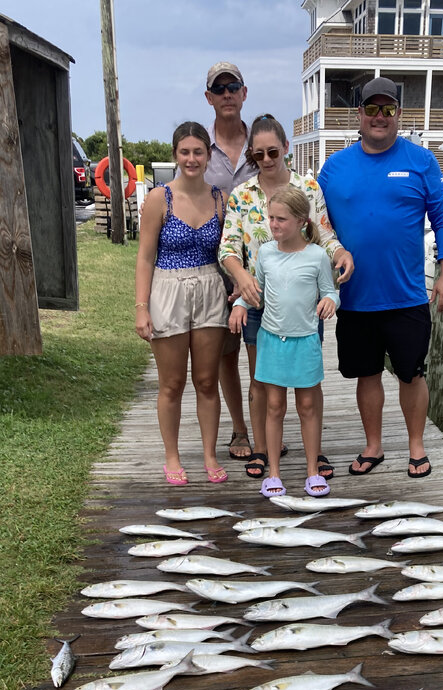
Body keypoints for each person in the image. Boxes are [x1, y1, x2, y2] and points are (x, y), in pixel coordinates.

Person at [318, 77, 443, 479]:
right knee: (367, 374)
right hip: (355, 297)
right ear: (359, 114)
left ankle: (416, 447)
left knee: (411, 373)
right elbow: (312, 221)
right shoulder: (334, 167)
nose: (380, 117)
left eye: (388, 109)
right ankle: (373, 446)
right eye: (371, 109)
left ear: (398, 113)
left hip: (406, 295)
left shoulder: (422, 161)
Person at [219, 113, 354, 482]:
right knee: (261, 380)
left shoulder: (307, 187)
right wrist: (242, 279)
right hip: (256, 297)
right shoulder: (242, 194)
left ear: (285, 148)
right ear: (251, 154)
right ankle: (264, 449)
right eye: (258, 154)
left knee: (309, 384)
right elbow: (228, 247)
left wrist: (341, 253)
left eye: (272, 152)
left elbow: (324, 235)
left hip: (302, 303)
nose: (266, 159)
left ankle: (314, 451)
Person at [229, 186, 339, 498]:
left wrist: (331, 301)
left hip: (305, 341)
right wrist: (240, 305)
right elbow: (257, 291)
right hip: (272, 341)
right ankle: (274, 473)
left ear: (302, 221)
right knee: (274, 406)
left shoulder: (317, 256)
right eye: (271, 218)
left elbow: (330, 291)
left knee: (307, 406)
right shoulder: (265, 253)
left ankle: (312, 470)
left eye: (281, 219)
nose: (274, 225)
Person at [134, 121, 229, 485]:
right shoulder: (160, 198)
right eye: (185, 152)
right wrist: (141, 307)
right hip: (168, 289)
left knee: (206, 381)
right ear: (175, 154)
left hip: (209, 289)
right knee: (171, 383)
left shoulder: (220, 199)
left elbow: (230, 251)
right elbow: (145, 257)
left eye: (198, 152)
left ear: (208, 156)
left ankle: (209, 454)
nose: (192, 159)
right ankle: (172, 456)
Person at [203, 61, 257, 462]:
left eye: (232, 86)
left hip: (262, 267)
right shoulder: (200, 148)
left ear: (244, 92)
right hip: (216, 267)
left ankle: (266, 427)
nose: (227, 94)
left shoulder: (262, 142)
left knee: (261, 352)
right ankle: (240, 429)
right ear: (209, 97)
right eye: (219, 89)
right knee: (226, 353)